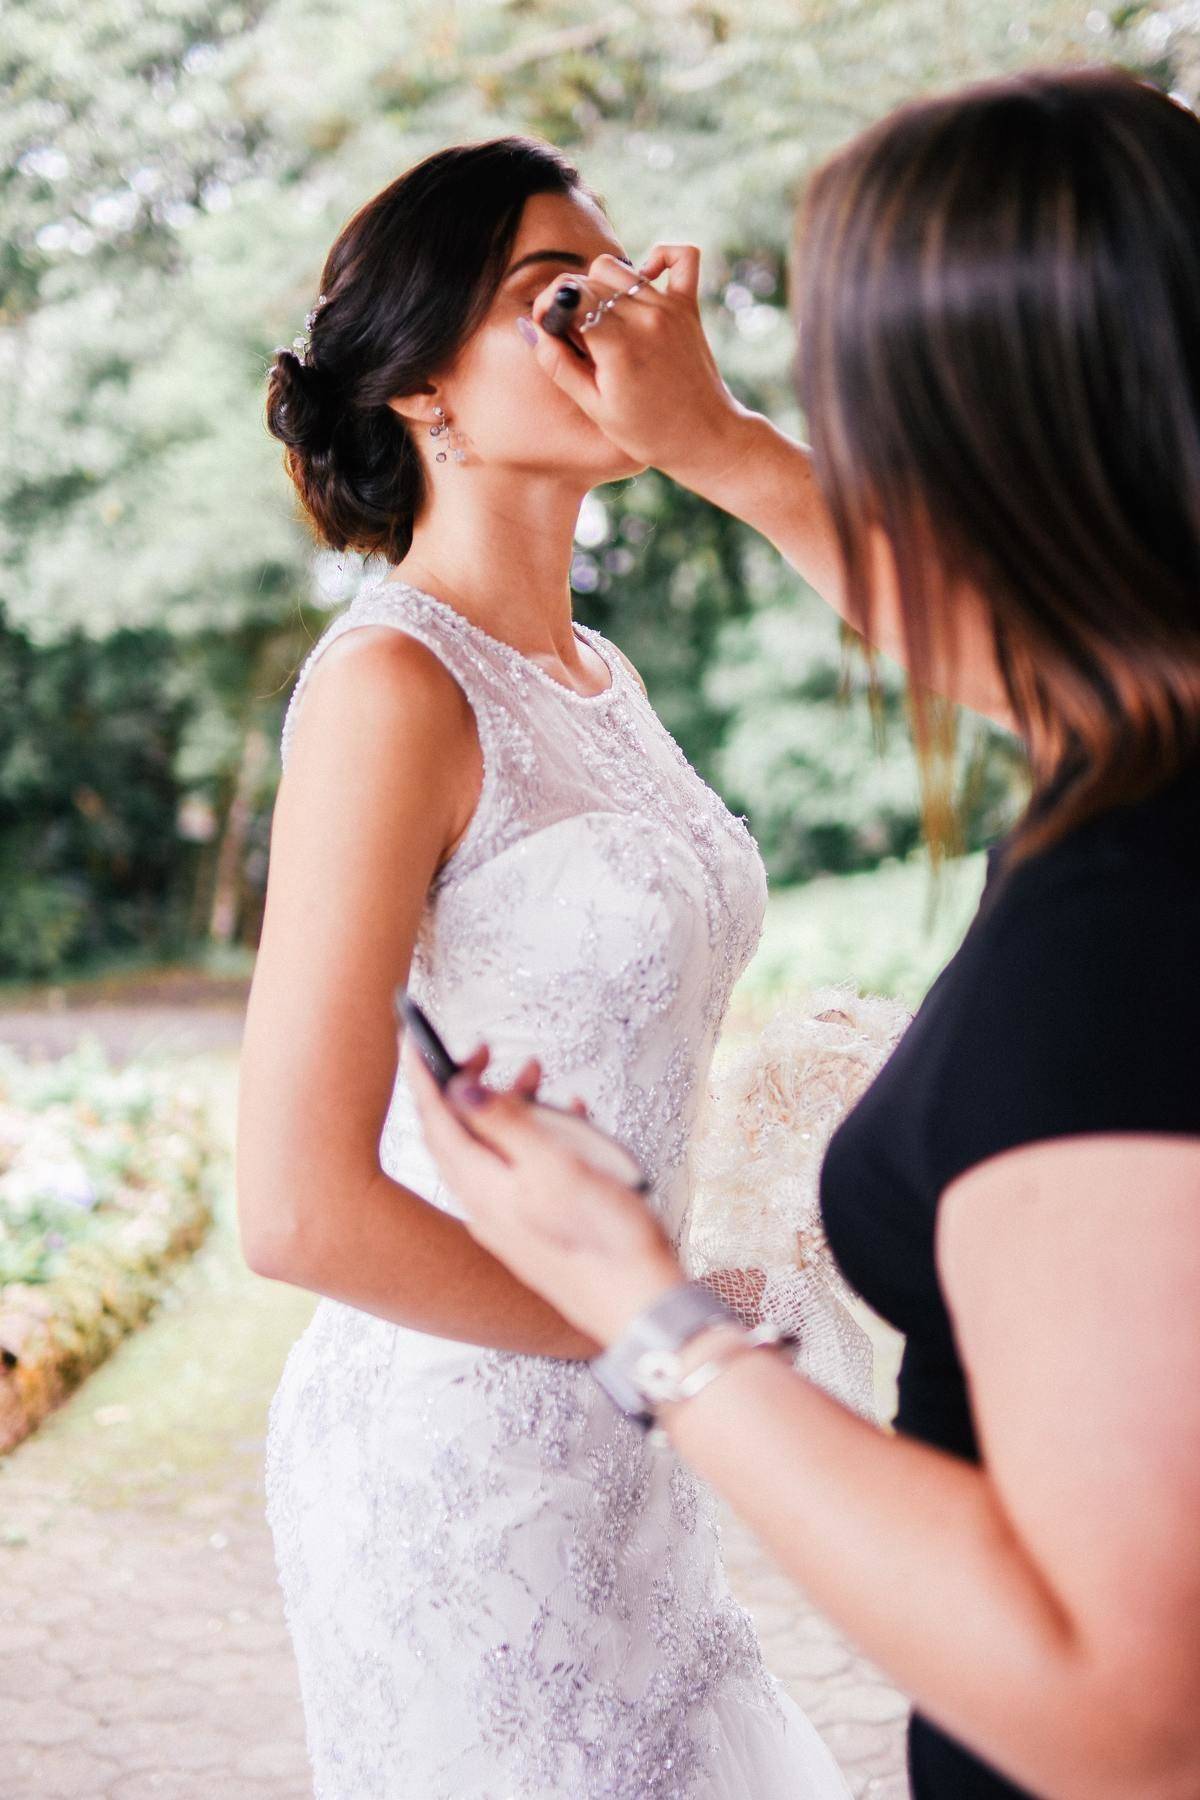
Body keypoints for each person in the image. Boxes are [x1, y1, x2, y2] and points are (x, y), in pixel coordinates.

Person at [405, 64, 1200, 1800]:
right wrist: (722, 445)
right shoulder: (1151, 772)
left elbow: (1130, 1709)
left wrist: (641, 1304)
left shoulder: (1133, 916)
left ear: (992, 446)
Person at [238, 135, 859, 1797]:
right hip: (458, 1460)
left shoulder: (601, 675)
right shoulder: (388, 691)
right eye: (559, 300)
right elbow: (296, 1207)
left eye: (627, 286)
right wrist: (652, 1325)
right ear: (424, 386)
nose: (624, 329)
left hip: (632, 1443)